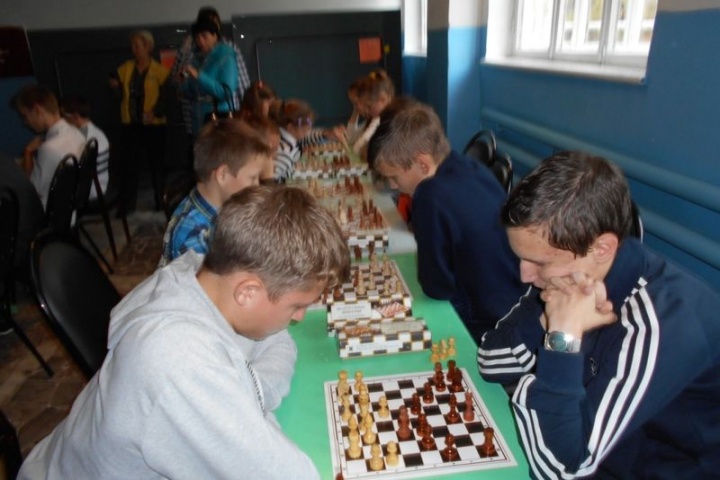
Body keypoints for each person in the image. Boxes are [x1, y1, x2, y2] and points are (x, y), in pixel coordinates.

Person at [17, 184, 350, 479]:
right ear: (248, 292)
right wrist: (240, 403)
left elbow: (279, 342)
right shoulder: (179, 360)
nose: (300, 318)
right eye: (296, 306)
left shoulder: (201, 275)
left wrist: (246, 395)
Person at [477, 151, 720, 479]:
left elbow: (559, 469)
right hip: (605, 448)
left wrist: (561, 339)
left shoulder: (658, 324)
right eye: (522, 257)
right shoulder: (567, 277)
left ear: (602, 248)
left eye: (539, 262)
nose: (525, 275)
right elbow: (490, 361)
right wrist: (547, 319)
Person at [367, 98, 524, 343]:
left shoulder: (429, 195)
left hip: (486, 317)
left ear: (422, 164)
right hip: (515, 296)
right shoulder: (468, 165)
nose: (393, 185)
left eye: (394, 177)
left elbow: (436, 287)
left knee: (392, 319)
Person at [159, 119, 270, 267]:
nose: (257, 186)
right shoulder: (193, 236)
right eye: (253, 178)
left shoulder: (221, 205)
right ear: (222, 175)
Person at [110, 29, 169, 213]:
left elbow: (166, 98)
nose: (133, 49)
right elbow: (117, 89)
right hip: (131, 124)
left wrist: (155, 112)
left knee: (157, 165)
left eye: (137, 45)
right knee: (129, 166)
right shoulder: (126, 68)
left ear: (148, 47)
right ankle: (127, 206)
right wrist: (115, 86)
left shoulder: (160, 71)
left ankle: (161, 202)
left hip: (154, 125)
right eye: (132, 46)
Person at [172, 7, 251, 141]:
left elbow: (225, 92)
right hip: (198, 120)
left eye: (204, 36)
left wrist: (199, 76)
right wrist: (183, 84)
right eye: (197, 37)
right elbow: (191, 93)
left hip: (219, 118)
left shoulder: (226, 54)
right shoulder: (195, 57)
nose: (200, 41)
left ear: (215, 35)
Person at [10, 84, 85, 208]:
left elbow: (30, 191)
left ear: (37, 110)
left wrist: (28, 152)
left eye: (25, 116)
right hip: (71, 203)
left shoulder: (49, 148)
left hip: (50, 211)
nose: (25, 123)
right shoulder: (75, 132)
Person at [60, 96, 110, 200]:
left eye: (64, 117)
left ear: (75, 116)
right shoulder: (97, 132)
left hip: (89, 191)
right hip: (100, 185)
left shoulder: (82, 138)